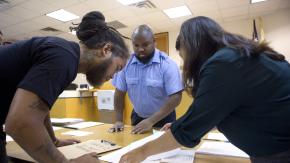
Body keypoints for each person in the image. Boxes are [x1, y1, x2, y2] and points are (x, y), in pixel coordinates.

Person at [119, 16, 290, 163]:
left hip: (279, 151)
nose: (184, 64)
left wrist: (140, 153)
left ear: (193, 48)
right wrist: (185, 123)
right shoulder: (235, 56)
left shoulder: (224, 64)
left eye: (184, 56)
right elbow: (213, 109)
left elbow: (191, 128)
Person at [0, 11, 129, 163]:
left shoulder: (65, 55)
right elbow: (20, 123)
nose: (113, 76)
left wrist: (53, 141)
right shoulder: (63, 58)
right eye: (117, 68)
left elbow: (39, 108)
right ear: (106, 50)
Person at [109, 25, 183, 134]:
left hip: (164, 118)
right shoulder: (126, 64)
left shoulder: (167, 64)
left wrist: (151, 121)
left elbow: (176, 97)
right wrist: (119, 120)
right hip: (138, 118)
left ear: (154, 42)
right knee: (137, 148)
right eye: (136, 45)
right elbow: (119, 93)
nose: (140, 49)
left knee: (163, 150)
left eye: (145, 44)